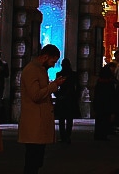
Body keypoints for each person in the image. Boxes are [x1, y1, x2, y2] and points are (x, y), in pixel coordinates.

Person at [17, 44, 61, 174]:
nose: (53, 65)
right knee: (32, 160)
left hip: (38, 123)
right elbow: (35, 95)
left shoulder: (40, 70)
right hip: (34, 124)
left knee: (36, 160)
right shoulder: (32, 70)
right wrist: (54, 85)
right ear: (45, 57)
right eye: (53, 61)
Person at [53, 59, 80, 144]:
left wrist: (57, 95)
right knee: (69, 119)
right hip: (70, 98)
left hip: (62, 98)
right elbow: (77, 87)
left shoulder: (59, 74)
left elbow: (56, 86)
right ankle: (67, 136)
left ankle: (63, 136)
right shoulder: (73, 75)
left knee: (62, 119)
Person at [92, 64, 119, 140]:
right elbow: (112, 95)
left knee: (99, 119)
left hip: (99, 104)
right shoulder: (110, 83)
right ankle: (103, 134)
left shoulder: (99, 82)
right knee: (105, 119)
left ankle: (97, 134)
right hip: (107, 104)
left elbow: (96, 94)